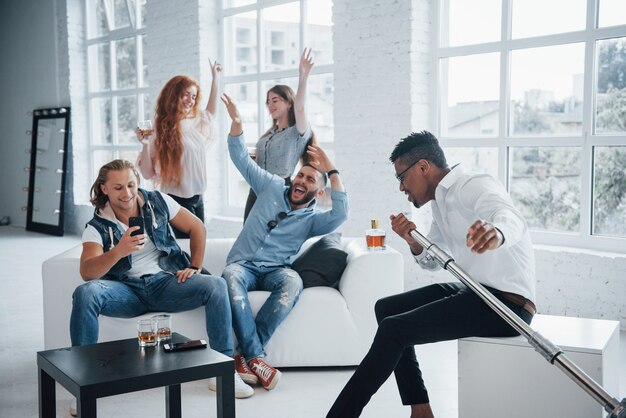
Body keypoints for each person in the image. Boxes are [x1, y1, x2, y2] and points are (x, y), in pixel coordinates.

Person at [326, 131, 536, 418]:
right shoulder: (440, 203)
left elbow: (508, 216)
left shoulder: (472, 185)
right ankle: (421, 409)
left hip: (506, 304)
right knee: (387, 308)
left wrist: (496, 233)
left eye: (402, 177)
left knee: (394, 329)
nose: (401, 187)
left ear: (423, 167)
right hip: (476, 292)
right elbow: (432, 261)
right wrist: (414, 240)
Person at [70, 159, 254, 400]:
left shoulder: (158, 200)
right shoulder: (97, 225)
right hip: (126, 291)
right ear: (104, 189)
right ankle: (84, 384)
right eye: (118, 188)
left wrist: (195, 265)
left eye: (131, 185)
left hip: (165, 283)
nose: (127, 194)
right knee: (85, 293)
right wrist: (119, 250)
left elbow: (197, 227)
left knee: (216, 285)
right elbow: (87, 272)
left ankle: (223, 371)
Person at [220, 93, 348, 391]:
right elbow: (241, 158)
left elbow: (342, 213)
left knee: (293, 283)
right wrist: (237, 123)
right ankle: (256, 357)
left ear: (317, 191)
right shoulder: (272, 185)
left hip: (277, 269)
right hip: (243, 265)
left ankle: (243, 358)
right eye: (301, 175)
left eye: (310, 180)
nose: (302, 181)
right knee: (230, 280)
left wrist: (332, 170)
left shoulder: (314, 220)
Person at [137, 60, 221, 238]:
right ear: (174, 95)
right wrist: (145, 146)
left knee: (199, 245)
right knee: (187, 248)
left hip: (198, 197)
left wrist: (215, 79)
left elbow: (211, 112)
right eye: (186, 94)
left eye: (194, 96)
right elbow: (146, 173)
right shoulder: (159, 131)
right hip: (176, 199)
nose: (190, 100)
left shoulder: (194, 122)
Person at [243, 47, 316, 221]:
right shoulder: (270, 134)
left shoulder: (297, 133)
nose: (270, 105)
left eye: (275, 100)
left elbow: (301, 107)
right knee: (248, 233)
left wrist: (303, 76)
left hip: (278, 189)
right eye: (268, 102)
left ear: (288, 103)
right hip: (256, 189)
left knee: (269, 236)